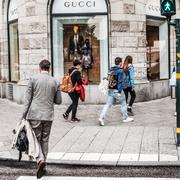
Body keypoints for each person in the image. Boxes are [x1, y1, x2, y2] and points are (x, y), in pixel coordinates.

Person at [21, 60, 62, 179]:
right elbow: (59, 101)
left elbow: (27, 100)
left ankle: (40, 160)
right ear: (49, 68)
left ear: (39, 68)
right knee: (45, 140)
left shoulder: (33, 79)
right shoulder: (55, 81)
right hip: (48, 115)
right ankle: (43, 164)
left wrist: (23, 115)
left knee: (35, 139)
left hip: (34, 114)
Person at [98, 57, 134, 126]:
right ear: (120, 63)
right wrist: (119, 92)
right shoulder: (120, 71)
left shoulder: (111, 69)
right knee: (123, 102)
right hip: (117, 90)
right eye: (121, 62)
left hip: (110, 90)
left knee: (108, 105)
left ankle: (101, 117)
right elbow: (120, 82)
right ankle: (125, 118)